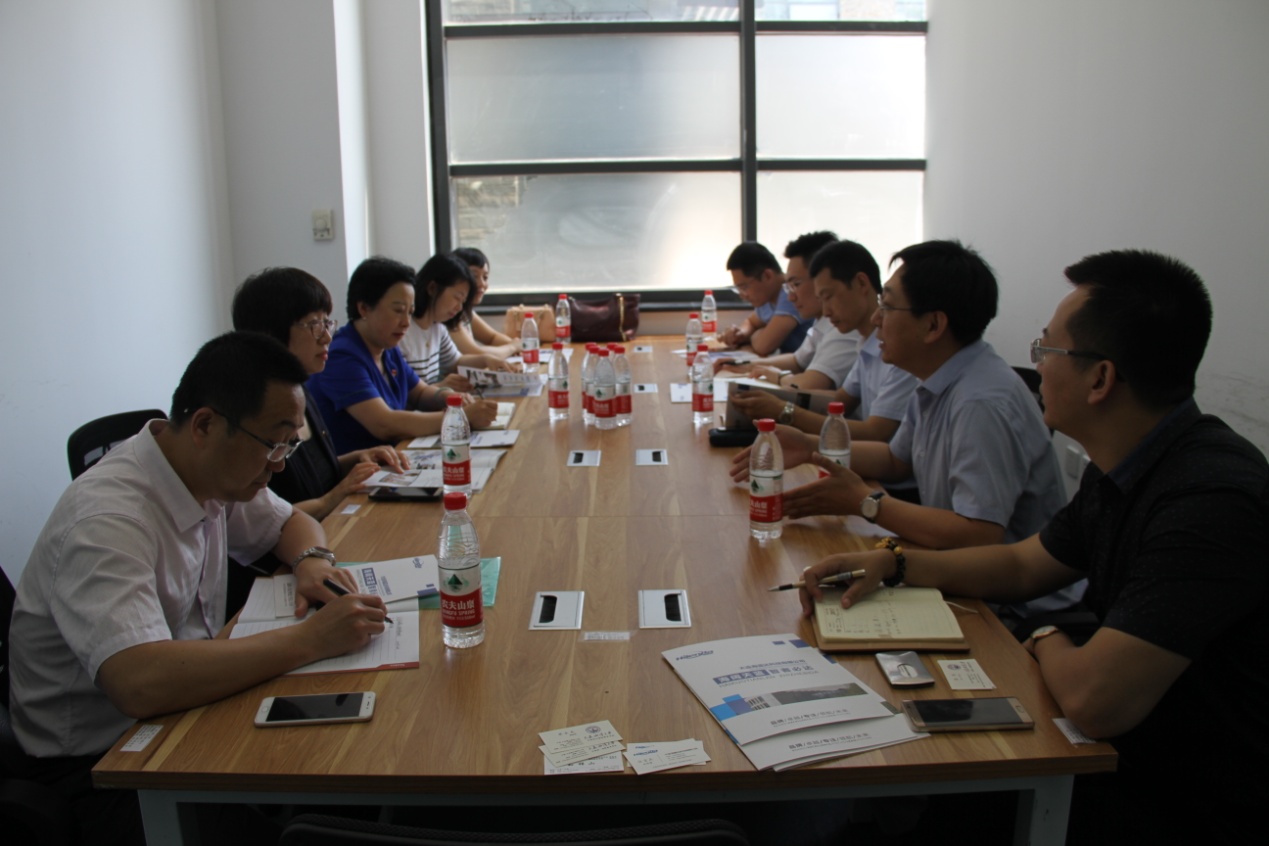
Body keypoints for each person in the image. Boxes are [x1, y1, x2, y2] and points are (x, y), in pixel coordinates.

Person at [799, 250, 1269, 841]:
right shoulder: (1125, 463)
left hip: (1184, 789)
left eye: (1046, 350)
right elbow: (1026, 563)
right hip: (1127, 738)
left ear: (1100, 379)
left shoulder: (1209, 500)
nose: (1037, 367)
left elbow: (1095, 699)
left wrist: (1044, 636)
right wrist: (892, 564)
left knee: (951, 788)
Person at [9, 332, 390, 843]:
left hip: (185, 705)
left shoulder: (207, 471)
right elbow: (139, 682)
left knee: (354, 752)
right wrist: (312, 639)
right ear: (206, 425)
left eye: (290, 444)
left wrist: (312, 562)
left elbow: (290, 524)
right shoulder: (107, 520)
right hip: (104, 764)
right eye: (273, 443)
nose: (280, 464)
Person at [732, 240, 1078, 614]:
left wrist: (865, 503)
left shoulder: (980, 401)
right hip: (954, 569)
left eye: (888, 307)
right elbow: (896, 460)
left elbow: (978, 535)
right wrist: (808, 445)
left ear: (933, 325)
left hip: (1015, 611)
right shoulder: (937, 376)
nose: (876, 319)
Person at [231, 267, 407, 521]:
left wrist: (359, 458)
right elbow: (259, 522)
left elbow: (315, 474)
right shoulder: (254, 414)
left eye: (327, 323)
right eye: (314, 325)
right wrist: (334, 496)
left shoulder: (299, 388)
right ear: (270, 334)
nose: (326, 337)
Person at [729, 238, 918, 446]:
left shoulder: (900, 350)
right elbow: (840, 399)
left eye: (889, 307)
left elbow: (876, 433)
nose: (826, 311)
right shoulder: (866, 342)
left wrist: (785, 409)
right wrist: (770, 398)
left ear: (861, 283)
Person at [307, 256, 498, 454]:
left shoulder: (387, 348)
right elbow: (384, 424)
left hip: (394, 455)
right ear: (363, 308)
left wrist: (450, 397)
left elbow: (421, 393)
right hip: (361, 467)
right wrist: (460, 418)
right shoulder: (341, 357)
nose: (406, 322)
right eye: (398, 310)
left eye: (410, 312)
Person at [717, 231, 859, 391]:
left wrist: (776, 375)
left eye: (796, 284)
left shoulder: (845, 326)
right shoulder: (822, 321)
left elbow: (810, 385)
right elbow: (798, 361)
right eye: (789, 287)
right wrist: (746, 365)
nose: (791, 297)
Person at [399, 253, 516, 388]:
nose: (459, 308)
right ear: (432, 288)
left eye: (463, 302)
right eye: (457, 297)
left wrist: (486, 359)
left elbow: (456, 362)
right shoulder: (402, 331)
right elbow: (401, 394)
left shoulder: (438, 328)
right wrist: (440, 387)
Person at [717, 241, 814, 355]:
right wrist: (741, 333)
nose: (742, 294)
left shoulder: (790, 294)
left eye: (744, 287)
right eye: (738, 288)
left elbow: (763, 346)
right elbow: (751, 322)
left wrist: (753, 335)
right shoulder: (767, 298)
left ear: (767, 276)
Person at [449, 246, 522, 360]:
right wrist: (512, 347)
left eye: (485, 277)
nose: (482, 283)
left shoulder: (465, 311)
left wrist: (517, 346)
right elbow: (476, 353)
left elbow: (492, 337)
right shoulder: (449, 314)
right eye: (474, 276)